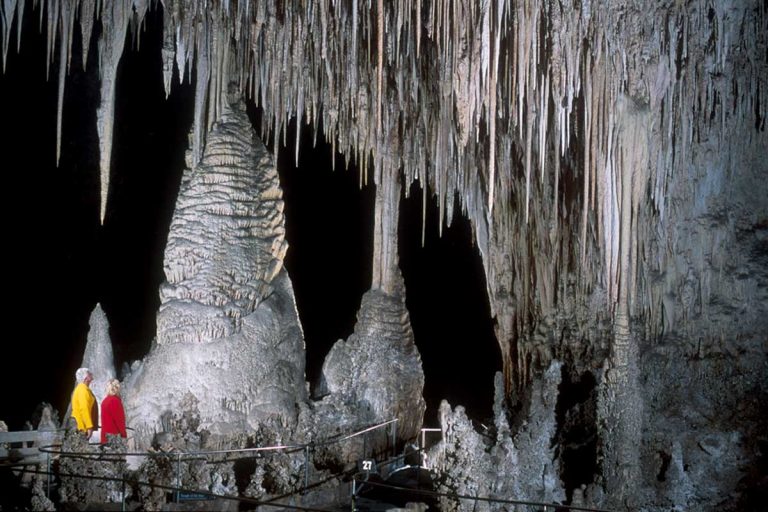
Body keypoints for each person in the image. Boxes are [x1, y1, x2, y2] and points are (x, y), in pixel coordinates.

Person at [71, 367, 98, 438]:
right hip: (81, 426)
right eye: (89, 373)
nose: (91, 374)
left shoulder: (83, 388)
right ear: (85, 377)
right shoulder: (82, 390)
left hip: (81, 426)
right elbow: (84, 408)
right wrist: (89, 426)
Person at [100, 379, 127, 444]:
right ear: (117, 388)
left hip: (105, 435)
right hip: (114, 437)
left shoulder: (105, 401)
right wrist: (124, 435)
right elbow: (119, 421)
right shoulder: (115, 401)